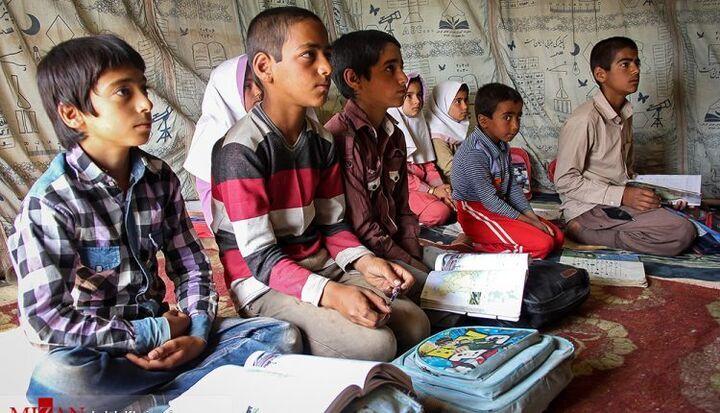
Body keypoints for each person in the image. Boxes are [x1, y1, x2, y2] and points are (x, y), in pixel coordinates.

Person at [6, 34, 301, 412]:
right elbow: (45, 320)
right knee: (60, 380)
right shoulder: (50, 203)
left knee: (281, 335)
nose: (146, 104)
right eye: (123, 92)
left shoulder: (159, 177)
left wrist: (195, 334)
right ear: (72, 114)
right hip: (102, 350)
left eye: (142, 88)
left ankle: (159, 399)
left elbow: (192, 266)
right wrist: (154, 331)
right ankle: (194, 394)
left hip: (169, 340)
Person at [211, 8, 430, 362]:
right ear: (265, 67)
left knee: (415, 324)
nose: (326, 68)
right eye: (308, 56)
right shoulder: (241, 149)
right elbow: (261, 259)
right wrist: (332, 294)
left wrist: (365, 262)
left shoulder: (321, 141)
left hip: (320, 265)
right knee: (377, 344)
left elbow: (334, 226)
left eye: (326, 55)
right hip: (263, 283)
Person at [554, 36, 696, 256]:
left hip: (615, 201)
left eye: (637, 63)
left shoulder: (624, 113)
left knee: (690, 211)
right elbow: (564, 181)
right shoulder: (584, 120)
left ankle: (619, 226)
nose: (636, 70)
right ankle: (581, 231)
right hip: (588, 208)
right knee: (682, 231)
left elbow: (623, 174)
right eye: (625, 64)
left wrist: (661, 195)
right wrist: (623, 196)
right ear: (601, 74)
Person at [325, 30, 428, 274]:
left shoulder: (395, 135)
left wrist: (414, 254)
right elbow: (363, 228)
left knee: (458, 268)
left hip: (396, 246)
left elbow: (403, 209)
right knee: (438, 287)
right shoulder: (343, 138)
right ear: (354, 79)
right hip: (368, 257)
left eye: (401, 67)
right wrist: (414, 265)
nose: (403, 79)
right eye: (390, 69)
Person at [452, 83, 564, 259]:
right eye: (507, 117)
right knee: (543, 245)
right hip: (476, 211)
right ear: (484, 121)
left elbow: (512, 187)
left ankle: (488, 239)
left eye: (518, 117)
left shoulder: (502, 145)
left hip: (499, 206)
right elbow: (489, 201)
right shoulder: (474, 153)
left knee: (556, 237)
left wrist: (533, 219)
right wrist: (528, 222)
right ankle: (473, 243)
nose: (515, 126)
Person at [183, 54, 263, 226]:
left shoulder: (265, 129)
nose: (259, 92)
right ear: (229, 93)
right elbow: (217, 219)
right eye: (247, 86)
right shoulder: (210, 142)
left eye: (260, 83)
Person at [388, 73, 454, 227]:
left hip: (425, 189)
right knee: (440, 212)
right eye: (408, 96)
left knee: (453, 202)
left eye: (419, 95)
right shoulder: (389, 130)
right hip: (402, 190)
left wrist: (441, 189)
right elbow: (398, 176)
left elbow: (429, 165)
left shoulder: (419, 123)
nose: (417, 101)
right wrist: (432, 191)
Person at [427, 80, 470, 179]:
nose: (465, 107)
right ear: (443, 103)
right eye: (458, 101)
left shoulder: (457, 126)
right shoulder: (437, 134)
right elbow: (450, 169)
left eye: (466, 100)